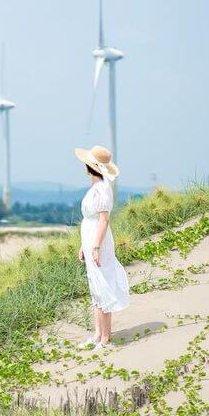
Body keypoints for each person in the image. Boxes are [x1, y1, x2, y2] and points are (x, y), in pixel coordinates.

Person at [74, 145, 130, 349]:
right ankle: (98, 334)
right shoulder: (95, 188)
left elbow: (103, 221)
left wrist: (96, 247)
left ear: (91, 167)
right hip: (90, 238)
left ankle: (105, 338)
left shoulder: (103, 189)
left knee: (103, 285)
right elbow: (90, 221)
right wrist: (84, 245)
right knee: (95, 287)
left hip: (99, 241)